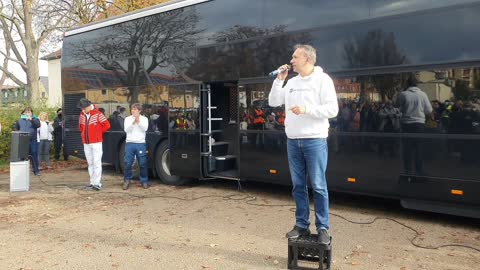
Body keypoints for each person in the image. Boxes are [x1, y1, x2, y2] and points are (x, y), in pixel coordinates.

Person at [268, 44, 338, 244]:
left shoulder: (323, 80)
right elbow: (273, 101)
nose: (291, 61)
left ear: (307, 59)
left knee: (318, 186)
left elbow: (332, 110)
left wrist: (306, 109)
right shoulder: (290, 82)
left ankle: (323, 227)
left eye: (295, 57)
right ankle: (301, 225)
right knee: (298, 186)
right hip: (293, 141)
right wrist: (278, 81)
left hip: (315, 140)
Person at [396, 76, 432, 175]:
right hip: (419, 124)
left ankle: (408, 170)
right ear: (417, 84)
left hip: (406, 124)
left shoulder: (403, 94)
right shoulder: (423, 94)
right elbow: (429, 110)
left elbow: (397, 106)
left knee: (407, 148)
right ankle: (419, 170)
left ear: (407, 84)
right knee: (419, 148)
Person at [78, 98, 111, 190]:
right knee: (90, 163)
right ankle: (92, 182)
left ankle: (97, 183)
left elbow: (107, 125)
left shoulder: (98, 114)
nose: (82, 110)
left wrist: (98, 133)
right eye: (82, 108)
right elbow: (81, 127)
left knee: (96, 162)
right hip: (86, 142)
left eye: (84, 108)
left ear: (89, 106)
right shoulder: (82, 115)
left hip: (96, 142)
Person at [122, 103, 149, 190]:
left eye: (135, 109)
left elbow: (145, 128)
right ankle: (127, 180)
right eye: (132, 109)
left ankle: (144, 181)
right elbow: (126, 129)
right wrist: (133, 122)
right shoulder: (127, 119)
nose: (133, 110)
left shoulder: (144, 119)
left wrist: (138, 122)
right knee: (128, 163)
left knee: (142, 163)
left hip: (140, 143)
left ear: (139, 111)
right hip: (130, 143)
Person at [14, 107, 41, 176]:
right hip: (23, 140)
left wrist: (31, 119)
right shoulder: (19, 120)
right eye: (26, 112)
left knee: (34, 154)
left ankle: (36, 170)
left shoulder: (35, 119)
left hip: (32, 140)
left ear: (32, 113)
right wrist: (18, 132)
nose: (27, 113)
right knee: (23, 156)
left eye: (29, 112)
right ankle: (22, 172)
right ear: (23, 113)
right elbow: (15, 128)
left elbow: (38, 125)